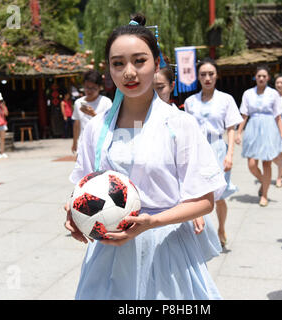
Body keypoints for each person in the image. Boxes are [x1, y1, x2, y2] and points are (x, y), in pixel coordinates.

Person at [64, 14, 226, 300]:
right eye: (118, 63)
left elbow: (204, 201)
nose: (129, 72)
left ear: (157, 62)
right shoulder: (96, 128)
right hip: (108, 252)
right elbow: (83, 187)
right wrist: (74, 214)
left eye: (139, 61)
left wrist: (152, 222)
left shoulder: (180, 125)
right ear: (109, 70)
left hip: (164, 248)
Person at [153, 64, 222, 259]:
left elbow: (189, 168)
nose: (156, 94)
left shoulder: (180, 120)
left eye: (160, 87)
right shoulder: (133, 121)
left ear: (172, 86)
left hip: (179, 205)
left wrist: (193, 208)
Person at [184, 58, 243, 248]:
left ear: (217, 75)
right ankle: (203, 232)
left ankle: (221, 228)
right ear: (197, 77)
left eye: (211, 74)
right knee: (198, 193)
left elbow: (231, 128)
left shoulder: (226, 99)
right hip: (197, 150)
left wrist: (230, 155)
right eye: (203, 75)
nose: (207, 78)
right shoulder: (190, 102)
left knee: (220, 194)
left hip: (217, 147)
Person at [236, 65, 282, 207]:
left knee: (266, 163)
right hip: (253, 127)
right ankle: (265, 182)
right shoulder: (248, 93)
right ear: (255, 77)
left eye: (264, 76)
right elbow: (244, 114)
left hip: (269, 127)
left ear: (268, 78)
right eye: (259, 76)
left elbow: (278, 116)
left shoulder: (273, 94)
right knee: (251, 164)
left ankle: (264, 194)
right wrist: (239, 132)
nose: (261, 78)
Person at [71, 70, 112, 153]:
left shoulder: (106, 102)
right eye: (87, 87)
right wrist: (75, 142)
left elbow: (110, 124)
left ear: (100, 87)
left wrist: (93, 114)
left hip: (101, 144)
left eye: (93, 88)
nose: (89, 91)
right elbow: (77, 124)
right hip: (83, 145)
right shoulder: (78, 102)